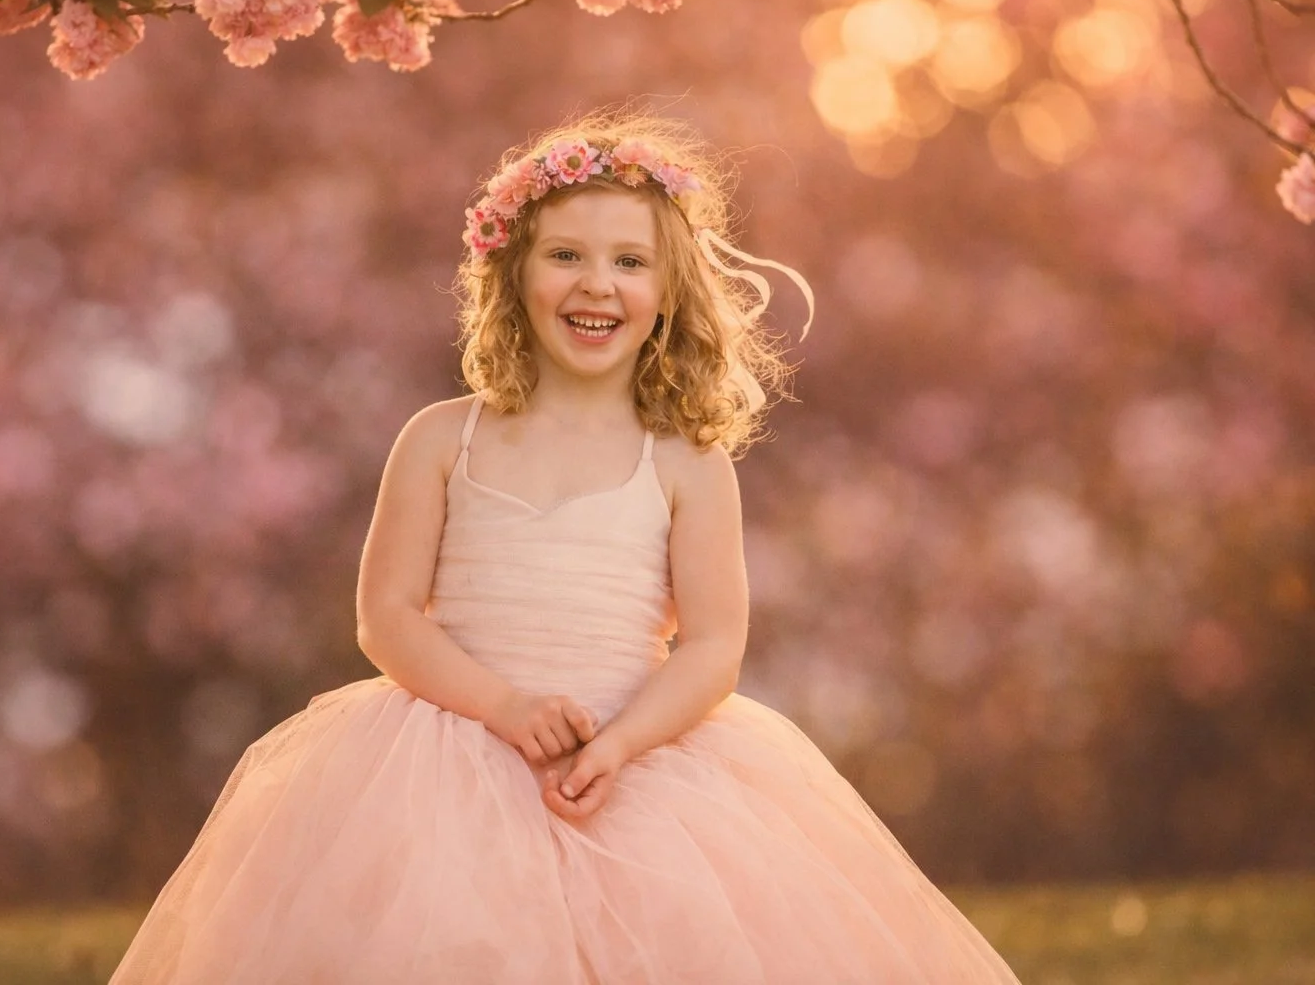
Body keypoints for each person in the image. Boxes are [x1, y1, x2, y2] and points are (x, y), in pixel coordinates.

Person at [108, 111, 1023, 984]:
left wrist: (620, 745)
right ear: (513, 274)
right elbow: (385, 618)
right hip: (449, 755)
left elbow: (713, 645)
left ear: (667, 292)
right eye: (566, 256)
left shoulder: (687, 462)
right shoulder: (440, 439)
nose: (598, 284)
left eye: (630, 261)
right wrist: (502, 707)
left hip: (634, 760)